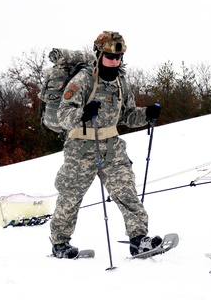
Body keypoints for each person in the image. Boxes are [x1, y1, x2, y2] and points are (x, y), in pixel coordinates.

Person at [48, 31, 163, 259]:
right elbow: (63, 114)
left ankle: (139, 239)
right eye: (110, 56)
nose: (115, 61)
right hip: (81, 149)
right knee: (70, 196)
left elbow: (128, 115)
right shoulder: (83, 80)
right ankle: (60, 242)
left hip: (112, 147)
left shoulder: (121, 82)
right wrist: (82, 113)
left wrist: (146, 114)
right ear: (99, 54)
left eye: (119, 57)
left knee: (126, 191)